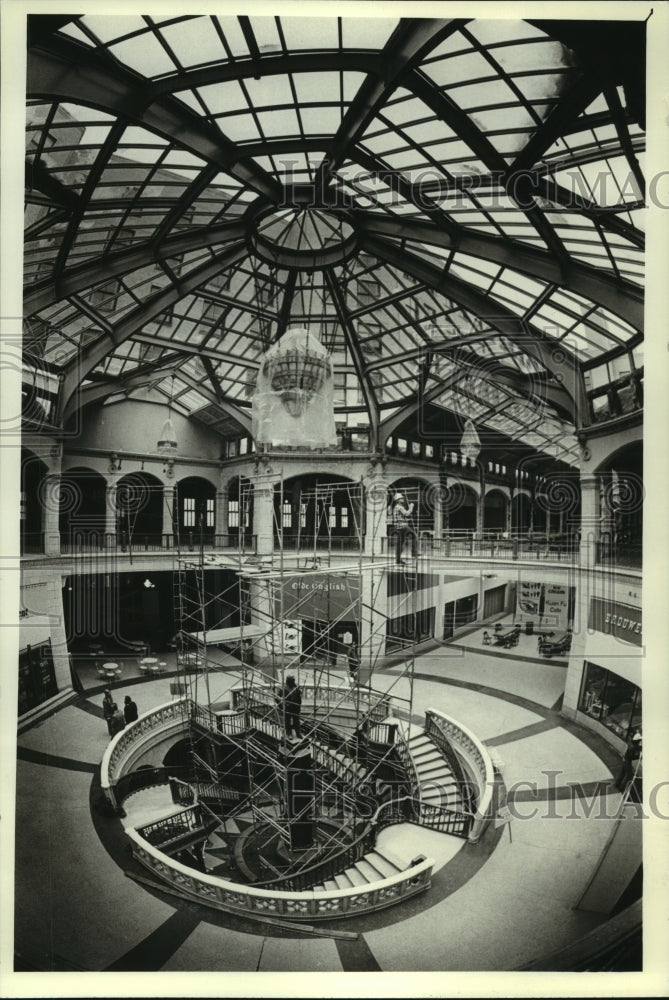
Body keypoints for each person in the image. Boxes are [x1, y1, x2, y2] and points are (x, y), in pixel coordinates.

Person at [388, 492, 416, 565]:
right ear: (398, 500)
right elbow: (406, 514)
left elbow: (399, 516)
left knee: (400, 543)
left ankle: (398, 560)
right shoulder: (399, 507)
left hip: (398, 527)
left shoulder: (396, 507)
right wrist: (411, 507)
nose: (403, 499)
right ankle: (414, 553)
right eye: (401, 498)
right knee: (414, 535)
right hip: (402, 526)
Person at [277, 675, 302, 740]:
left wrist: (299, 706)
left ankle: (298, 733)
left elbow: (299, 698)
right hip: (288, 708)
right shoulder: (283, 689)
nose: (294, 682)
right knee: (287, 721)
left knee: (296, 721)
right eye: (292, 681)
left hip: (295, 708)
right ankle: (289, 733)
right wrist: (282, 706)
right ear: (289, 681)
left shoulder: (296, 688)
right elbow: (277, 698)